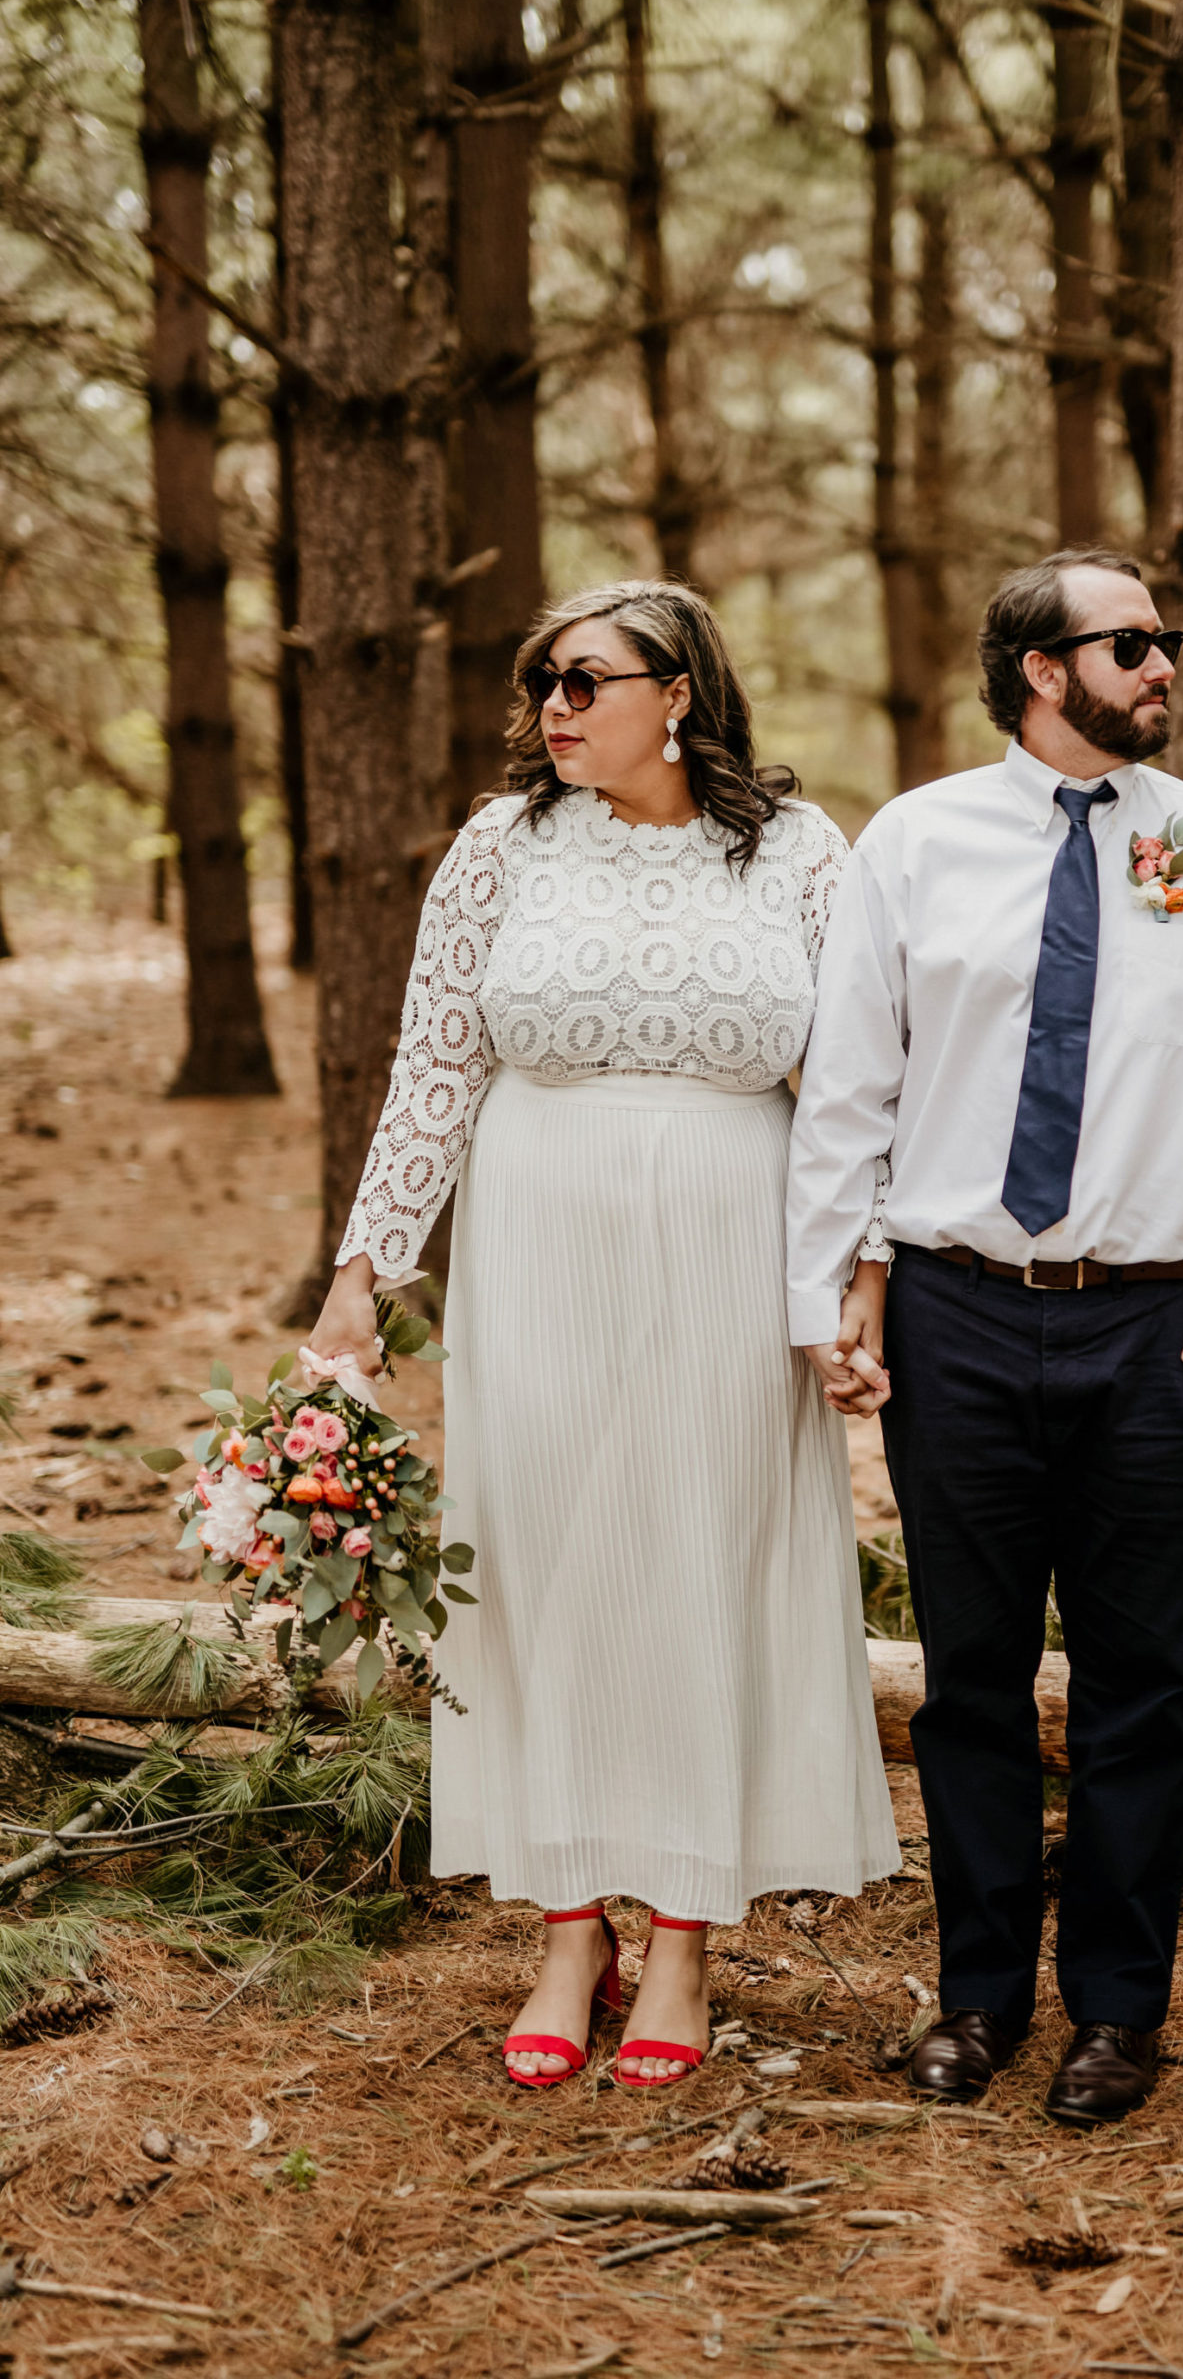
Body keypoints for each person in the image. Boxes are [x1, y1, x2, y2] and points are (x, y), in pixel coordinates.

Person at [308, 579, 897, 2095]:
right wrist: (366, 1269)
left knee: (702, 1562)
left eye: (585, 680)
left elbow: (858, 1085)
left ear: (679, 690)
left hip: (730, 1247)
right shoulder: (502, 847)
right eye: (543, 684)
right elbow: (434, 1059)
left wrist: (861, 1273)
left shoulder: (802, 852)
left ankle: (688, 1932)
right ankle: (571, 1925)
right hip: (536, 1242)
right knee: (547, 1563)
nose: (553, 709)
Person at [787, 547, 1183, 2127]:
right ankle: (973, 2001)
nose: (1165, 665)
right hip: (956, 1314)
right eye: (1133, 644)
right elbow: (851, 1088)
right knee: (967, 1680)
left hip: (1160, 1332)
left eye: (1167, 642)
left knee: (1138, 1686)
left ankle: (1115, 2012)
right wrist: (833, 1291)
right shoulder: (915, 843)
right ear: (1041, 670)